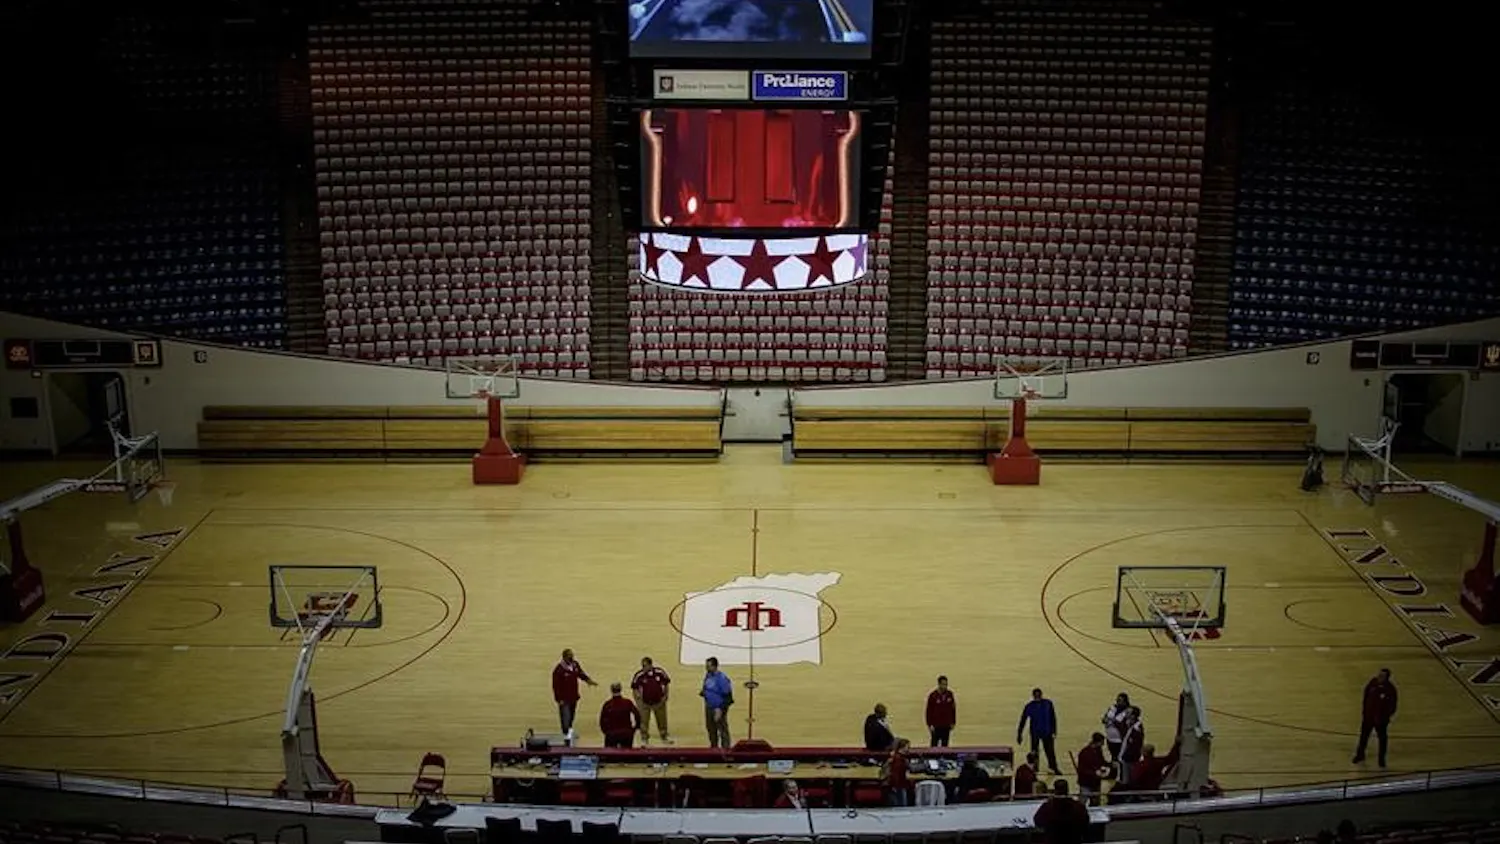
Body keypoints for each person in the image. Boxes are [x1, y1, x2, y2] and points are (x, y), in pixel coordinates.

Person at [1353, 668, 1398, 767]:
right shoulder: (1372, 683)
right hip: (1368, 717)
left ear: (1387, 678)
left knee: (1382, 740)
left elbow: (1392, 706)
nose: (1379, 677)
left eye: (1382, 676)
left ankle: (1381, 759)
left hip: (1380, 721)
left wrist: (1385, 717)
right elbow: (1366, 696)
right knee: (1363, 737)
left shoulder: (1390, 689)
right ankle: (1360, 755)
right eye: (1379, 675)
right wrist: (1364, 712)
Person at [551, 648, 596, 735]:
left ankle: (569, 733)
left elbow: (580, 673)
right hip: (564, 699)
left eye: (572, 656)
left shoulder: (575, 664)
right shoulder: (559, 670)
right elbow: (555, 686)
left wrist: (588, 680)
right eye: (570, 656)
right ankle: (565, 734)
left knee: (571, 717)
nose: (572, 658)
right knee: (565, 719)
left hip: (574, 696)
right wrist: (558, 699)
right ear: (564, 657)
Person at [1017, 687, 1062, 774]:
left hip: (1047, 732)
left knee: (1050, 751)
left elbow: (1053, 718)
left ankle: (1053, 767)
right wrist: (1019, 734)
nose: (1037, 697)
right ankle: (1035, 768)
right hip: (1035, 733)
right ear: (1033, 696)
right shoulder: (1030, 706)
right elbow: (1023, 720)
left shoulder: (1048, 704)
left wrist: (1054, 731)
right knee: (1035, 751)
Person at [1032, 780, 1091, 844]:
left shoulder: (1048, 806)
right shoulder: (1078, 806)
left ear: (1055, 791)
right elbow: (1085, 823)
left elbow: (1037, 821)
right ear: (1067, 790)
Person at [631, 656, 672, 745]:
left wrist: (665, 695)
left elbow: (666, 683)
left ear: (650, 665)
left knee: (662, 720)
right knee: (643, 721)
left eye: (644, 666)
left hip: (659, 702)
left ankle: (664, 736)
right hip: (644, 703)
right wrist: (638, 699)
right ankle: (644, 738)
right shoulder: (639, 675)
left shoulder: (659, 672)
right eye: (642, 666)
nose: (643, 668)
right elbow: (634, 687)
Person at [700, 656, 733, 749]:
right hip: (709, 706)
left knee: (722, 729)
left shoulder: (722, 678)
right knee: (710, 728)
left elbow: (728, 697)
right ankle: (714, 747)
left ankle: (726, 749)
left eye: (708, 666)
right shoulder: (708, 675)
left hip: (718, 708)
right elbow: (706, 686)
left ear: (715, 666)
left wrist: (720, 709)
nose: (706, 668)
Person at [598, 682, 641, 748]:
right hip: (626, 733)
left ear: (611, 690)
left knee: (610, 755)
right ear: (621, 689)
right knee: (627, 754)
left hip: (611, 733)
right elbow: (637, 715)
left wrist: (606, 732)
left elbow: (602, 720)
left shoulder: (607, 704)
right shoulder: (627, 702)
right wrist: (634, 728)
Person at [1075, 732, 1110, 804]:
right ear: (1097, 742)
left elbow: (1101, 761)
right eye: (1102, 742)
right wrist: (1095, 773)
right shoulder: (1084, 753)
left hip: (1095, 782)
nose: (1103, 744)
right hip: (1086, 782)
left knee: (1096, 802)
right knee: (1082, 802)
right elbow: (1082, 770)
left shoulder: (1098, 750)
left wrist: (1109, 765)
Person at [926, 675, 956, 747]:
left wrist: (953, 722)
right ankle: (933, 757)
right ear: (939, 684)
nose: (945, 686)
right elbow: (928, 711)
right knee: (934, 744)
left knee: (945, 744)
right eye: (943, 684)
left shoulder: (950, 694)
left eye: (946, 684)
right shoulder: (933, 695)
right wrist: (929, 724)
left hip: (946, 724)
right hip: (936, 725)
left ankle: (945, 758)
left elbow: (953, 709)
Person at [1117, 706, 1145, 785]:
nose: (1125, 714)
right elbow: (1117, 721)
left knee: (1128, 780)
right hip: (1124, 756)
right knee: (1124, 778)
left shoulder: (1137, 728)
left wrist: (1126, 756)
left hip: (1130, 758)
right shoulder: (1129, 723)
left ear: (1133, 716)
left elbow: (1136, 745)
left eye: (1128, 713)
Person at [1101, 692, 1131, 763]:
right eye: (1117, 700)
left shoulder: (1128, 711)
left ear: (1125, 702)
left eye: (1120, 700)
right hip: (1110, 738)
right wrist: (1105, 720)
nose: (1117, 702)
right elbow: (1105, 718)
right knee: (1113, 758)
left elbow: (1126, 724)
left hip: (1120, 740)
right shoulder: (1112, 708)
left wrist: (1113, 722)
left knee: (1120, 758)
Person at [885, 738, 912, 807]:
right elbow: (895, 774)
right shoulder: (899, 760)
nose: (909, 749)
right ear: (902, 748)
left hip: (898, 785)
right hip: (899, 786)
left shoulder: (897, 757)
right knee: (901, 806)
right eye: (907, 747)